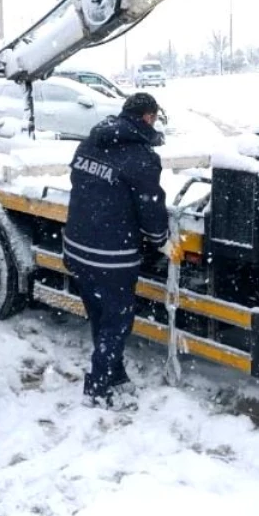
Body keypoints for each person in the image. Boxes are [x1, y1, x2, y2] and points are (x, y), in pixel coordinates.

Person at [62, 92, 168, 408]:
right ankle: (98, 387)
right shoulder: (141, 158)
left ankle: (116, 374)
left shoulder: (91, 142)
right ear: (148, 117)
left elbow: (80, 182)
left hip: (77, 246)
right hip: (111, 255)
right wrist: (161, 239)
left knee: (99, 315)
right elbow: (151, 207)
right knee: (117, 321)